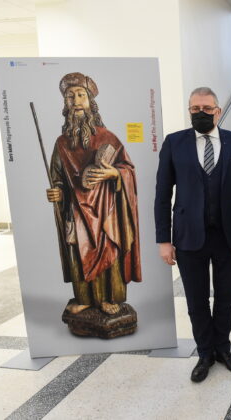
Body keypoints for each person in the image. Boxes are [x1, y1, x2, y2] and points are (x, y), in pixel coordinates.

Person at [154, 87, 231, 383]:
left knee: (226, 297)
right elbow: (163, 194)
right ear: (189, 110)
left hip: (228, 235)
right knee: (196, 299)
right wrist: (164, 239)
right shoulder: (174, 143)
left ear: (218, 111)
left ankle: (223, 349)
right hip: (188, 236)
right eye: (195, 108)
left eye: (207, 108)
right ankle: (205, 353)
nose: (201, 113)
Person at [46, 72, 141, 316]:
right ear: (65, 104)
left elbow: (128, 170)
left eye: (81, 95)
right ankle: (85, 298)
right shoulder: (61, 144)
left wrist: (114, 174)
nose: (76, 101)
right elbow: (57, 177)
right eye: (70, 96)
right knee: (78, 254)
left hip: (106, 210)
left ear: (90, 101)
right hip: (76, 211)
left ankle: (109, 297)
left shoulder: (109, 137)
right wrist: (57, 192)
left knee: (108, 251)